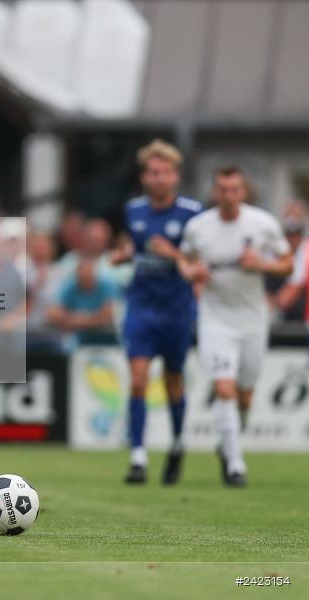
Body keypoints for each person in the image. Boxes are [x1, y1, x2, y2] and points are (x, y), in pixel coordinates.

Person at [177, 166, 292, 487]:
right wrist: (191, 273)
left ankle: (228, 442)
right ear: (215, 192)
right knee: (224, 388)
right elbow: (184, 261)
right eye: (222, 190)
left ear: (243, 193)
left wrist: (262, 264)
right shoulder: (198, 227)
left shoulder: (263, 224)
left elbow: (288, 264)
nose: (228, 196)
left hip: (253, 318)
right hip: (215, 318)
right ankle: (236, 464)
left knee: (245, 396)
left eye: (234, 190)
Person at [110, 139, 201, 485]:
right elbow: (134, 246)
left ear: (175, 176)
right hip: (142, 307)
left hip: (177, 309)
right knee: (137, 379)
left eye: (165, 172)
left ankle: (177, 444)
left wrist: (172, 255)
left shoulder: (192, 213)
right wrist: (125, 253)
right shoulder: (134, 210)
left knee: (174, 379)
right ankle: (138, 457)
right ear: (144, 177)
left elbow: (198, 265)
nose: (159, 178)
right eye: (152, 172)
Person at [46, 258, 114, 350]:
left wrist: (81, 320)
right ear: (77, 276)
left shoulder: (107, 285)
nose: (86, 279)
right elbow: (52, 314)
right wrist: (81, 320)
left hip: (107, 339)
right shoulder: (69, 286)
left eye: (89, 276)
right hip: (77, 339)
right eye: (83, 277)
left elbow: (109, 315)